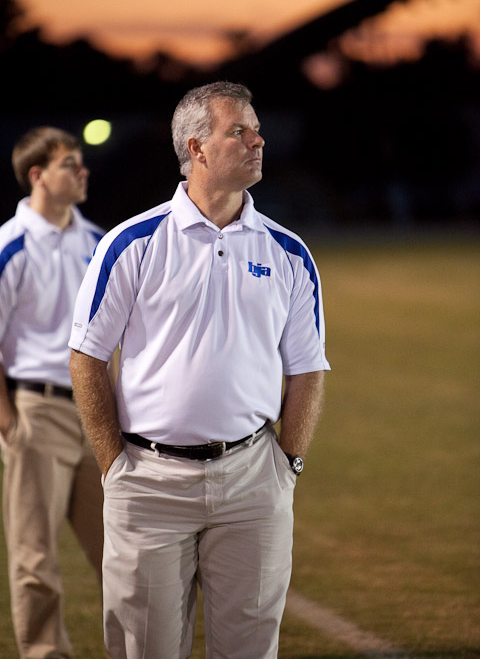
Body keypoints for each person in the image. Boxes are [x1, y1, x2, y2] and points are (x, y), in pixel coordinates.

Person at [69, 81, 331, 659]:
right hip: (148, 483)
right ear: (197, 148)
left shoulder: (288, 252)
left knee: (250, 649)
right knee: (145, 649)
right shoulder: (132, 243)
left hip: (253, 481)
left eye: (256, 129)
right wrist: (116, 466)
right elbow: (86, 356)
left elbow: (308, 368)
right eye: (238, 131)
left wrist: (287, 465)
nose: (258, 141)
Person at [0, 126, 105, 659]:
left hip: (97, 415)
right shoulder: (10, 245)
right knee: (35, 559)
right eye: (69, 163)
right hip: (36, 411)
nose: (82, 171)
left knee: (125, 553)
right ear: (38, 175)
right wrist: (9, 422)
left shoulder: (98, 242)